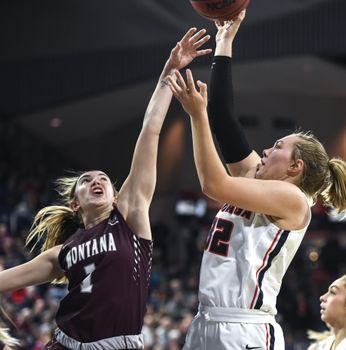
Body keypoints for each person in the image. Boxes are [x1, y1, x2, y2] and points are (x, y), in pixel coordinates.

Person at [167, 10, 346, 350]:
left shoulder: (294, 203)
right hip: (207, 321)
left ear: (296, 168)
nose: (264, 150)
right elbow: (223, 118)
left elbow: (212, 185)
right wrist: (224, 41)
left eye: (277, 146)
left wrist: (195, 117)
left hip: (245, 329)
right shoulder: (255, 180)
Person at [0, 28, 211, 350]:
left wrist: (170, 71)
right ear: (75, 204)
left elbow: (150, 131)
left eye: (103, 179)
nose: (96, 181)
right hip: (64, 344)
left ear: (116, 195)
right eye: (86, 180)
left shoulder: (130, 217)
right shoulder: (62, 252)